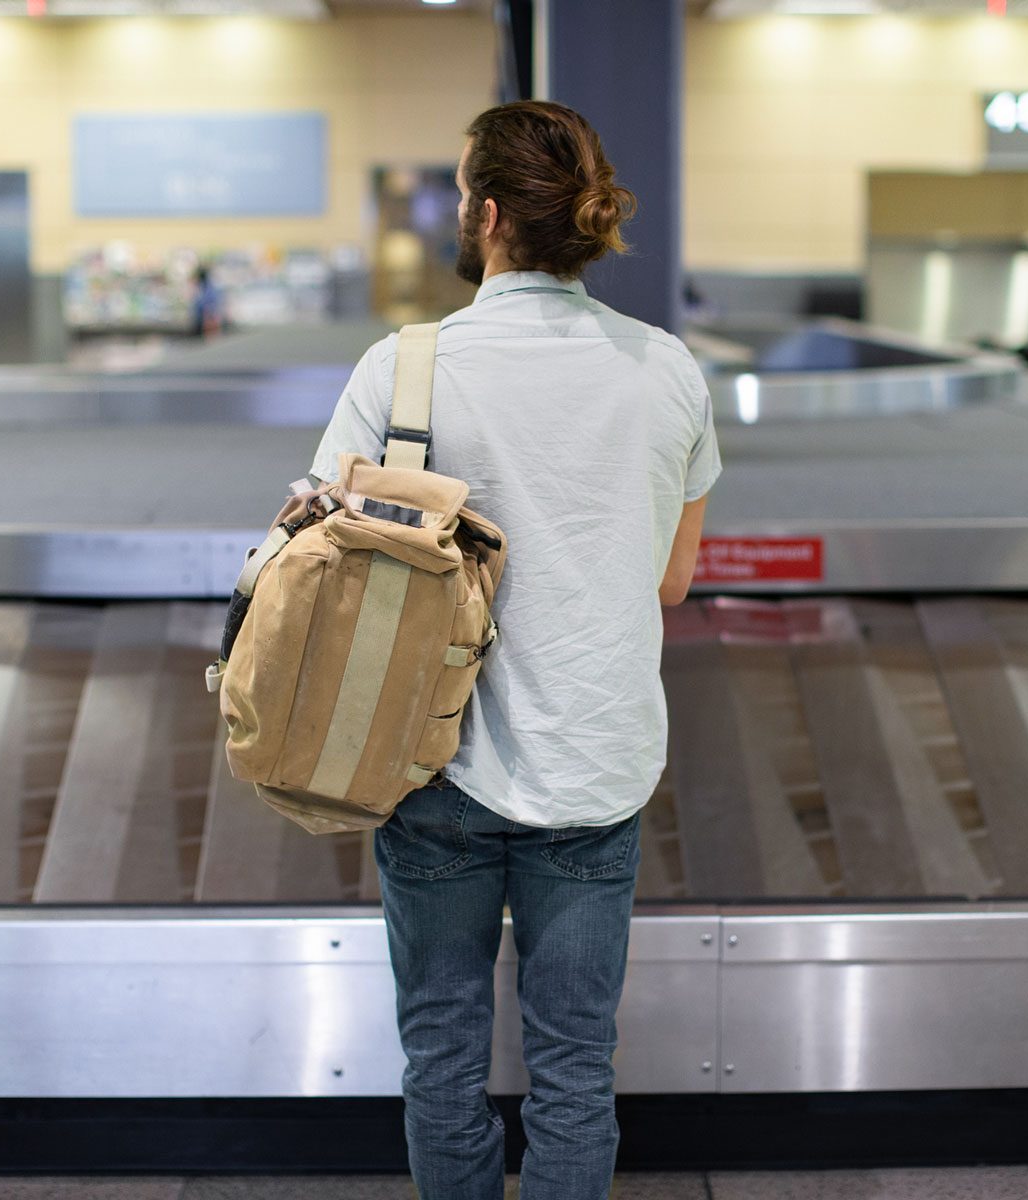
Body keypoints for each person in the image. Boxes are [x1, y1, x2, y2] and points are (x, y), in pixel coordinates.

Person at [306, 100, 720, 1200]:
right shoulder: (666, 368)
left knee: (442, 1057)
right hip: (594, 766)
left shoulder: (402, 372)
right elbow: (672, 577)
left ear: (486, 215)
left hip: (430, 767)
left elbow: (317, 563)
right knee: (575, 1069)